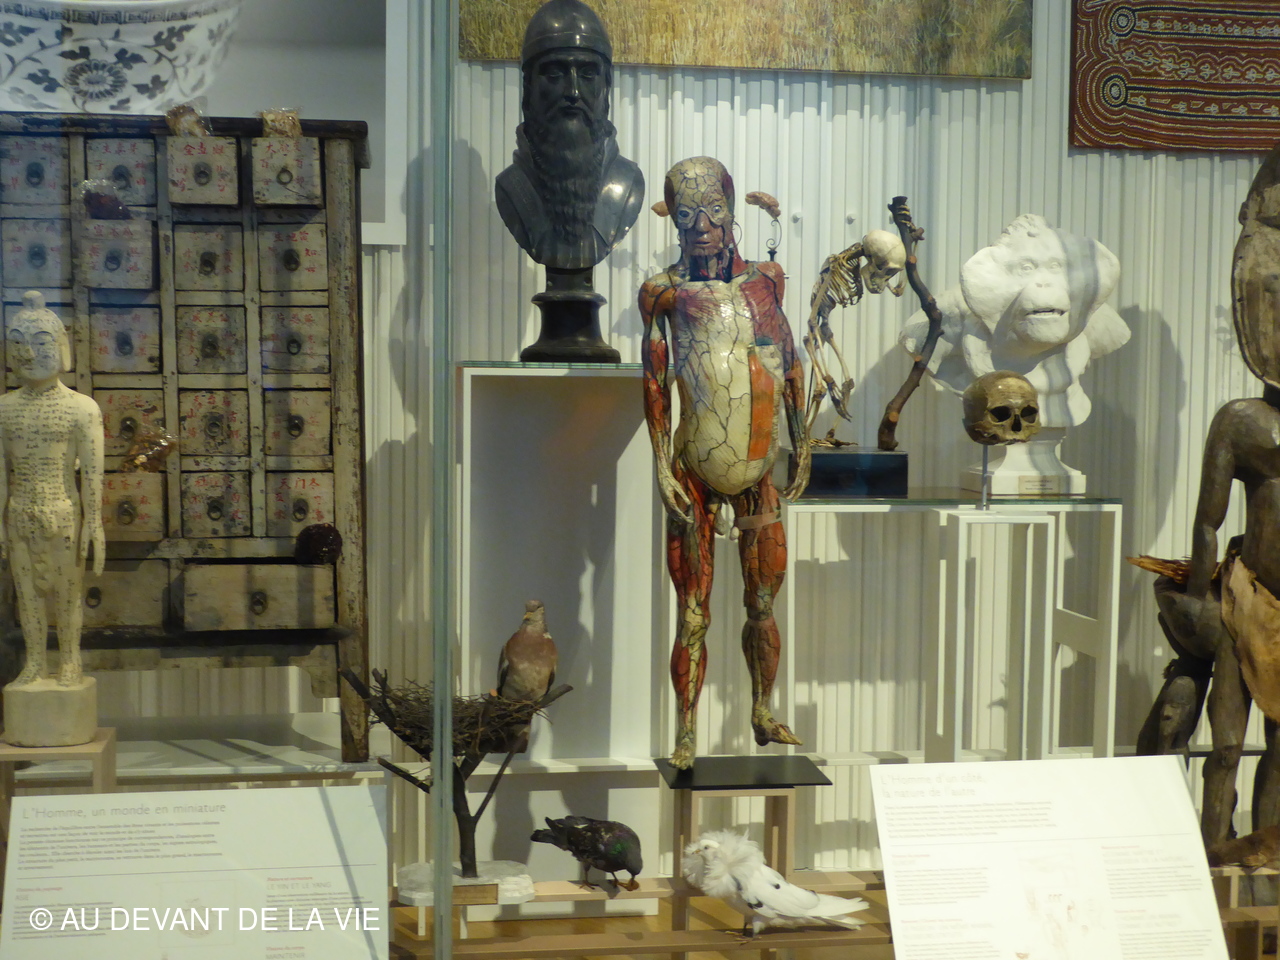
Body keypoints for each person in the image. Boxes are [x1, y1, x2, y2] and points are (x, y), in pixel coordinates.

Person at [639, 157, 810, 769]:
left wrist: (802, 441)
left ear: (732, 212)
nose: (702, 228)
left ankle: (762, 710)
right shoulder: (663, 293)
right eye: (687, 215)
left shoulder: (767, 282)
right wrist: (662, 466)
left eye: (713, 211)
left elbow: (787, 359)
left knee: (762, 604)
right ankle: (686, 733)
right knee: (693, 613)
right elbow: (654, 380)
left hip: (759, 465)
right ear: (673, 221)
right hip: (694, 465)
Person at [0, 291, 104, 687]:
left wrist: (94, 522)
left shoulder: (81, 408)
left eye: (40, 342)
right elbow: (1, 475)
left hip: (63, 513)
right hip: (19, 513)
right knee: (27, 596)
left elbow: (92, 472)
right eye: (18, 343)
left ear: (60, 347)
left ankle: (70, 660)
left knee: (67, 594)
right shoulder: (4, 409)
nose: (28, 353)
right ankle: (35, 662)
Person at [494, 0, 643, 271]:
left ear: (606, 86)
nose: (572, 92)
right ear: (528, 87)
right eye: (554, 73)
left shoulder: (628, 183)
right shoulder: (511, 187)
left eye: (587, 74)